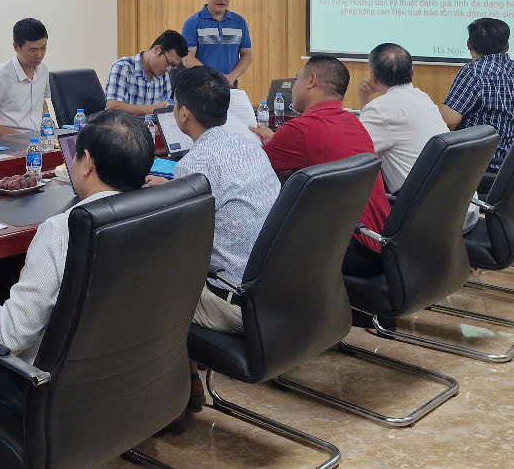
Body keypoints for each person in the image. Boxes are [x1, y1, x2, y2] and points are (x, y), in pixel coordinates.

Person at [0, 110, 153, 422]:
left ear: (87, 163)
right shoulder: (158, 213)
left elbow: (14, 335)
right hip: (125, 378)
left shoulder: (62, 230)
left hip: (44, 389)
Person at [158, 66, 279, 418]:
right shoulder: (250, 144)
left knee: (150, 285)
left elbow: (180, 248)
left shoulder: (195, 164)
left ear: (183, 113)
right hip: (277, 292)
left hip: (237, 304)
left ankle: (173, 395)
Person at [250, 55, 389, 274]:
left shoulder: (300, 129)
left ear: (311, 80)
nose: (293, 87)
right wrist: (277, 140)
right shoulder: (352, 122)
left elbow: (251, 169)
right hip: (377, 242)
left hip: (348, 249)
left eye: (297, 79)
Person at [359, 43, 479, 231]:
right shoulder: (422, 97)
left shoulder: (380, 110)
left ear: (373, 76)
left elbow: (355, 153)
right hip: (466, 211)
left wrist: (365, 101)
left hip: (433, 222)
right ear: (412, 72)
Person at [439, 18, 514, 172]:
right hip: (505, 162)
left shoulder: (473, 72)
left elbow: (448, 121)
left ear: (469, 44)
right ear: (507, 45)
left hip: (474, 164)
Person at [0, 18, 51, 135]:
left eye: (43, 48)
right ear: (16, 47)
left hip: (37, 138)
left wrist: (50, 126)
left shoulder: (43, 70)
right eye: (33, 50)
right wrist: (19, 138)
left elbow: (41, 102)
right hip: (8, 141)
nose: (39, 55)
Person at [181, 0, 252, 87]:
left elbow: (246, 54)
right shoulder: (192, 23)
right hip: (201, 87)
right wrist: (215, 78)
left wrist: (231, 77)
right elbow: (187, 58)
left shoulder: (239, 22)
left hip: (230, 86)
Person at [104, 30, 189, 116]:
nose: (169, 69)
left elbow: (165, 111)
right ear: (156, 50)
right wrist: (153, 109)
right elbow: (112, 107)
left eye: (173, 66)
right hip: (125, 124)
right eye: (169, 62)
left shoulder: (164, 74)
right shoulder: (123, 67)